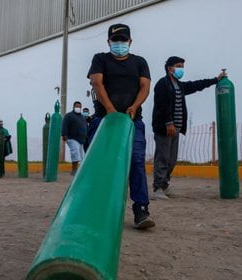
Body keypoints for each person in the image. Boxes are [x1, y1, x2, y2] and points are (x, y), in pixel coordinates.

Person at [87, 23, 155, 229]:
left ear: (130, 42)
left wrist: (134, 106)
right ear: (108, 42)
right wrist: (109, 109)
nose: (119, 44)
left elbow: (145, 87)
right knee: (99, 163)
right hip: (104, 120)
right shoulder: (100, 59)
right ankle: (96, 207)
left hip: (132, 121)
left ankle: (141, 209)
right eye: (115, 40)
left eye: (123, 40)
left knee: (135, 161)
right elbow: (96, 82)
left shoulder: (139, 62)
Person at [151, 56, 226, 199]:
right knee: (162, 158)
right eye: (178, 66)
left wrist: (215, 80)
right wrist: (169, 123)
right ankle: (157, 188)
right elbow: (162, 106)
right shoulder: (162, 84)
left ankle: (165, 185)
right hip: (165, 129)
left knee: (171, 160)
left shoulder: (179, 85)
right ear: (169, 68)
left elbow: (195, 85)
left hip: (176, 129)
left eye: (183, 67)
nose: (181, 69)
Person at [62, 101, 88, 175]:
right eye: (77, 106)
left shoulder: (82, 117)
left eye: (79, 107)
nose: (78, 108)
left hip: (81, 140)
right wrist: (64, 134)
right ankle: (74, 170)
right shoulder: (69, 116)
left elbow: (85, 126)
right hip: (72, 138)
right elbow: (64, 125)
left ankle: (79, 171)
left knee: (81, 156)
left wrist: (86, 135)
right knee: (75, 153)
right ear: (73, 107)